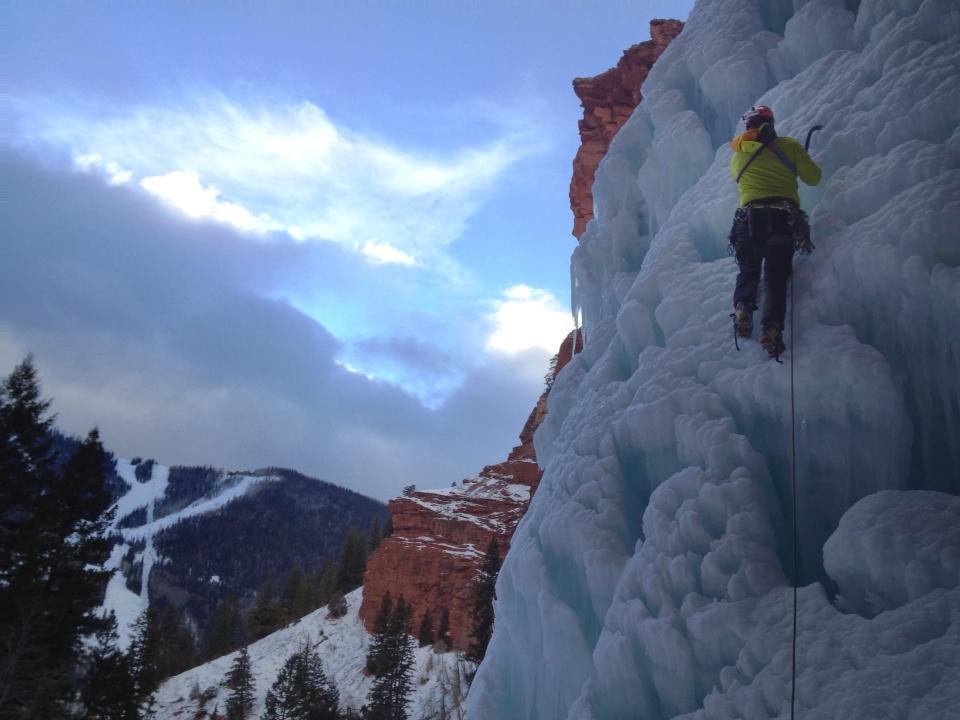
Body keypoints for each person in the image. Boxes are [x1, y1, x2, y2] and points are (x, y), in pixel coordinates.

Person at [729, 105, 821, 359]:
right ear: (770, 124)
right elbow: (813, 178)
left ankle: (743, 309)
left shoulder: (737, 155)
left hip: (748, 222)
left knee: (748, 270)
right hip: (781, 219)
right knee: (776, 277)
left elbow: (739, 180)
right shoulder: (789, 146)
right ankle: (770, 328)